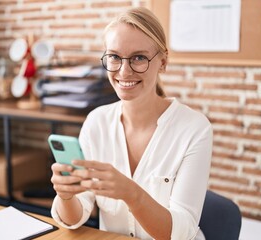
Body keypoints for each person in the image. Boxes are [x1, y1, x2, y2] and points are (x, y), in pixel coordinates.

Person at [50, 7, 212, 240]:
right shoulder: (97, 122)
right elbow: (75, 219)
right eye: (114, 57)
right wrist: (66, 195)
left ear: (163, 62)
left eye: (139, 58)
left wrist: (131, 194)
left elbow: (182, 233)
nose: (124, 71)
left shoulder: (195, 128)